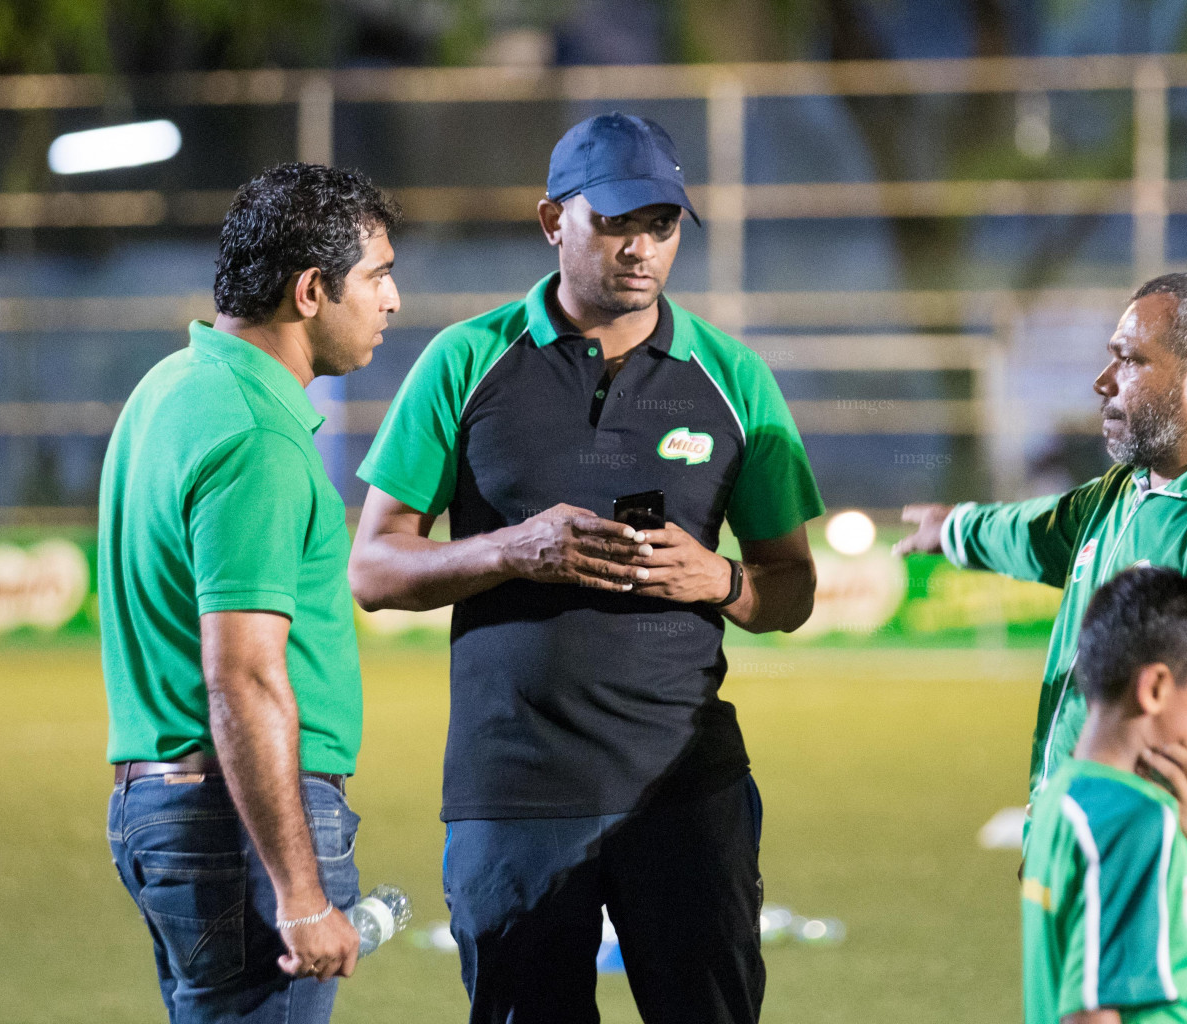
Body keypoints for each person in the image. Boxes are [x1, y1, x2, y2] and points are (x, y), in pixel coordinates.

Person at [347, 112, 822, 1024]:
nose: (641, 246)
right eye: (614, 221)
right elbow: (372, 568)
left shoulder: (734, 377)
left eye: (662, 223)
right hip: (512, 794)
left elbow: (790, 586)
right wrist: (511, 548)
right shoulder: (466, 361)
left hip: (685, 794)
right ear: (551, 221)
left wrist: (719, 581)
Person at [99, 163, 400, 1022]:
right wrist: (300, 895)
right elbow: (245, 675)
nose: (392, 300)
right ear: (311, 290)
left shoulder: (170, 389)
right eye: (376, 275)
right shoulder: (256, 432)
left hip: (161, 804)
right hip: (237, 822)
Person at [897, 273, 1187, 811]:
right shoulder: (1120, 493)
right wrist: (954, 528)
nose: (1103, 382)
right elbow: (1032, 532)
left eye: (1129, 360)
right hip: (1072, 825)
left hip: (1142, 849)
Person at [1023, 566, 1187, 1024]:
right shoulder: (1134, 821)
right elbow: (1092, 1012)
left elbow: (1176, 938)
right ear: (1156, 688)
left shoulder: (1064, 799)